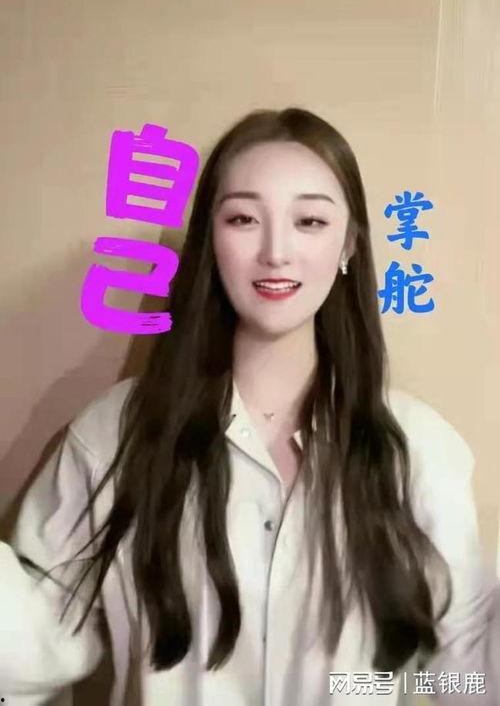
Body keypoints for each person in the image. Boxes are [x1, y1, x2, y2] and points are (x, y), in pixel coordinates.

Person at [1, 107, 499, 706]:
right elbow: (38, 637)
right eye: (243, 218)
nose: (276, 252)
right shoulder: (118, 433)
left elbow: (465, 670)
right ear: (211, 240)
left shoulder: (417, 447)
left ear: (349, 245)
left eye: (310, 220)